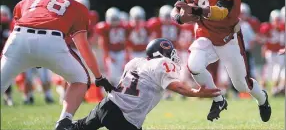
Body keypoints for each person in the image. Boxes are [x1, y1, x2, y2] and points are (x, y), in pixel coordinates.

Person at [0, 0, 114, 130]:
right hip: (51, 41)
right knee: (80, 79)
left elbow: (20, 24)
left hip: (18, 39)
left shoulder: (26, 1)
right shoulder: (76, 6)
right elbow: (82, 45)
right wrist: (99, 77)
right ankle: (64, 121)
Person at [170, 0, 271, 122]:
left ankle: (262, 98)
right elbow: (178, 7)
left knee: (242, 85)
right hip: (204, 34)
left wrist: (197, 10)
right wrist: (179, 17)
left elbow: (221, 12)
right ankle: (218, 99)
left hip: (228, 38)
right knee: (194, 65)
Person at [61, 38, 221, 130]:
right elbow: (175, 86)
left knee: (77, 128)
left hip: (107, 105)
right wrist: (196, 93)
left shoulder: (135, 61)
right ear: (162, 53)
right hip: (126, 118)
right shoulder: (162, 63)